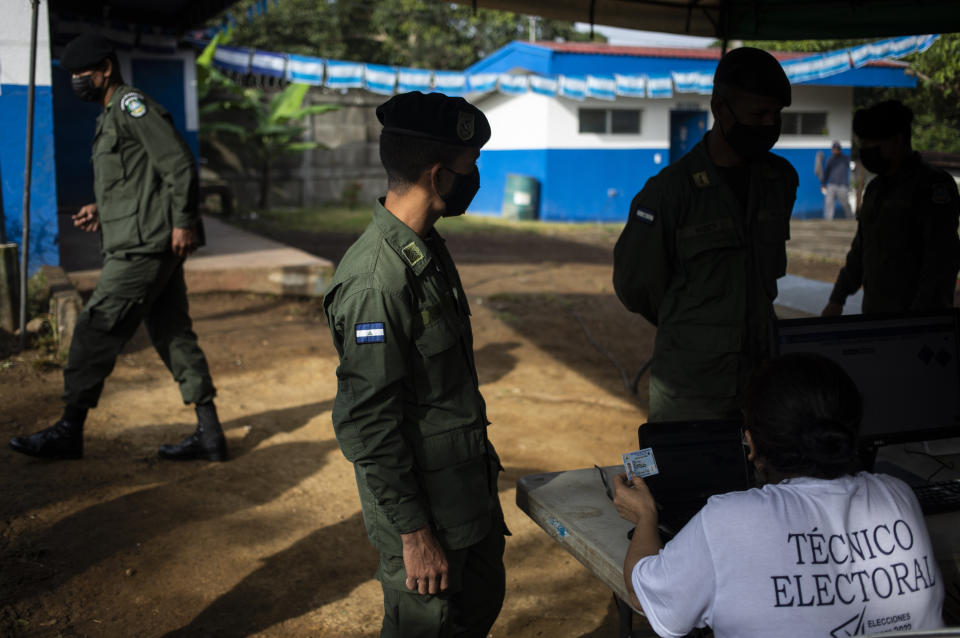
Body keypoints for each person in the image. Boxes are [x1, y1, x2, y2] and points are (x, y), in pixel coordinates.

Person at [323, 91, 506, 637]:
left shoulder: (425, 249)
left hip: (463, 500)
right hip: (426, 520)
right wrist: (413, 533)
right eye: (470, 166)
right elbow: (367, 422)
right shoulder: (376, 280)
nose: (476, 177)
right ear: (437, 174)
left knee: (475, 615)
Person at [613, 353, 945, 638]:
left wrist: (646, 517)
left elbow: (646, 597)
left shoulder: (728, 520)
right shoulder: (898, 497)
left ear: (752, 444)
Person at [9, 34, 226, 462]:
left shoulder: (130, 106)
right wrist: (99, 208)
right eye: (70, 75)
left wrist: (184, 221)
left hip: (142, 249)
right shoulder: (111, 113)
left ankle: (69, 430)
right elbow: (135, 179)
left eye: (81, 74)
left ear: (106, 68)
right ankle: (211, 433)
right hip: (144, 240)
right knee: (172, 333)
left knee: (94, 330)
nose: (76, 81)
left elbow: (178, 163)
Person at [613, 48, 798, 422]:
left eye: (776, 115)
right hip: (691, 386)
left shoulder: (780, 180)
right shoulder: (670, 191)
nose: (768, 125)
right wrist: (693, 326)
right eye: (758, 114)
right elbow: (635, 285)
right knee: (690, 477)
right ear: (720, 109)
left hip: (763, 378)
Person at [823, 100, 960, 316]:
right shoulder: (876, 188)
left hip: (916, 321)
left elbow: (940, 260)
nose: (866, 152)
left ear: (898, 140)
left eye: (871, 145)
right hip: (877, 315)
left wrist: (921, 320)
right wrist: (837, 298)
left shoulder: (931, 187)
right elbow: (861, 248)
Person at [821, 140, 852, 220]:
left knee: (845, 204)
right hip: (832, 184)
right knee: (828, 203)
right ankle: (828, 221)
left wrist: (853, 165)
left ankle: (851, 219)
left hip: (842, 185)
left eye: (837, 148)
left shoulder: (845, 159)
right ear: (832, 149)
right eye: (834, 148)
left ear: (840, 149)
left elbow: (852, 167)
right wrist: (823, 184)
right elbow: (826, 173)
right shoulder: (830, 159)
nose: (835, 150)